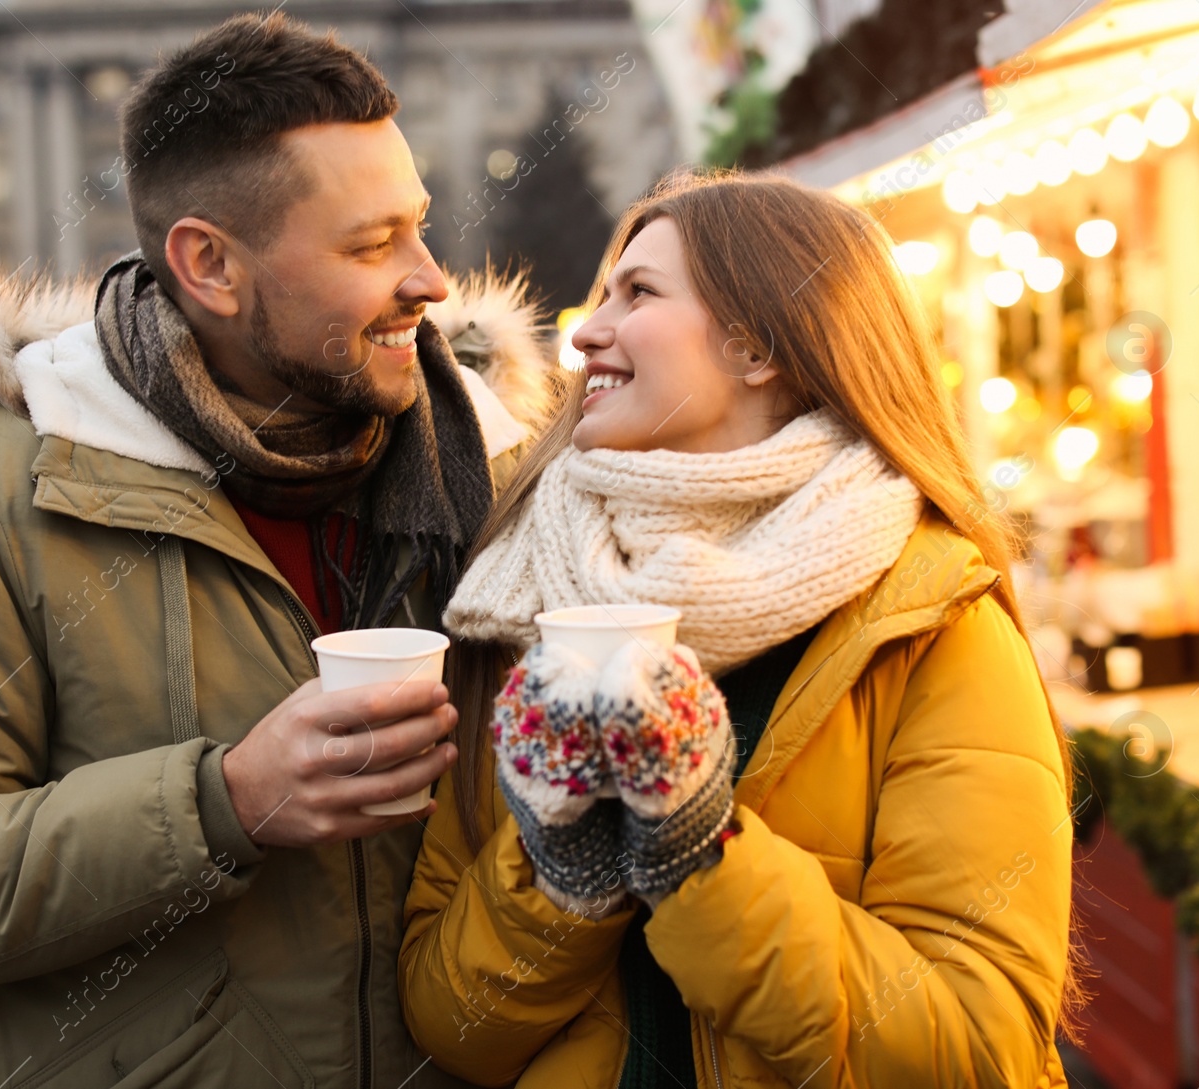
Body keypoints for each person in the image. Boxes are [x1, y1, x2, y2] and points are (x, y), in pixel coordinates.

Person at [0, 13, 552, 1088]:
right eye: (367, 244)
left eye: (418, 226)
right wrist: (226, 804)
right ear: (209, 265)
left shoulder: (498, 465)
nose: (432, 279)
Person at [399, 170, 1078, 1088]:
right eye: (602, 294)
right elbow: (452, 1026)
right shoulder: (517, 600)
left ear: (758, 345)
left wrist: (697, 850)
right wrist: (557, 869)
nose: (588, 329)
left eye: (637, 293)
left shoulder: (928, 620)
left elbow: (976, 1047)